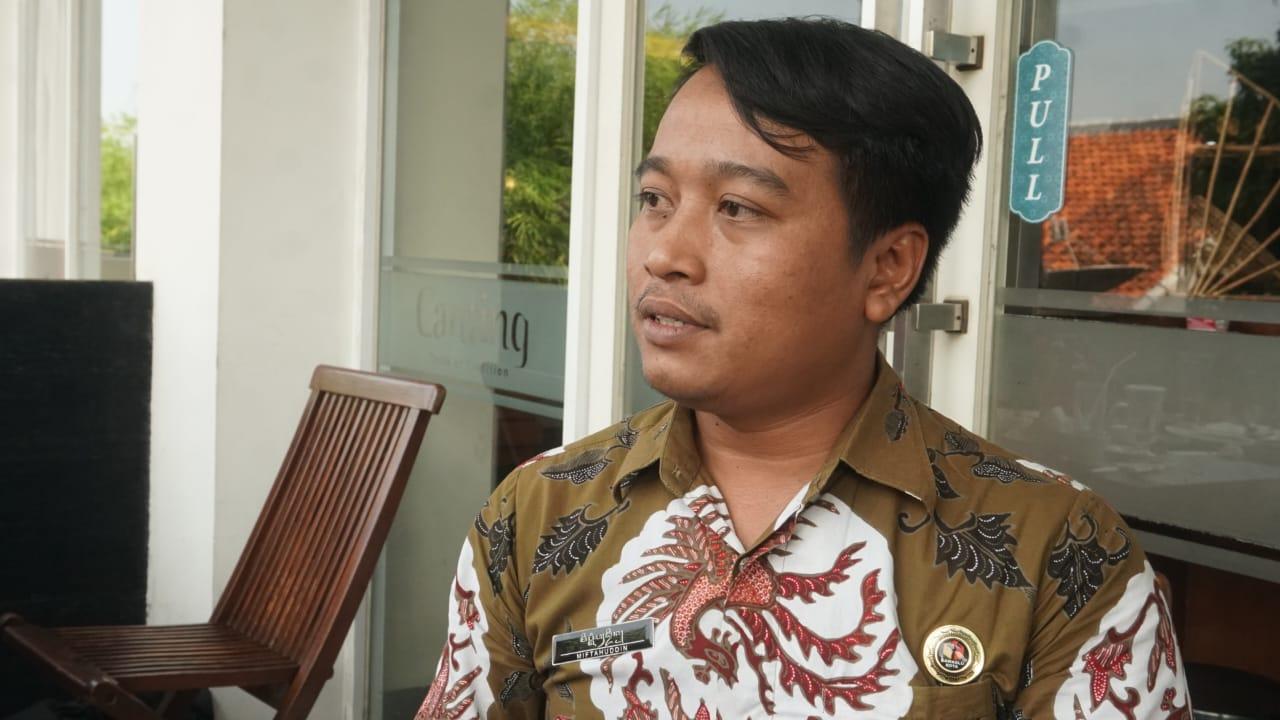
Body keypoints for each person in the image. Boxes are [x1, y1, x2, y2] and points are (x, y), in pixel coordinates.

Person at [416, 17, 1189, 720]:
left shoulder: (1058, 553)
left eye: (738, 208)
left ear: (888, 267)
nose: (665, 253)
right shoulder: (538, 515)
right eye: (654, 198)